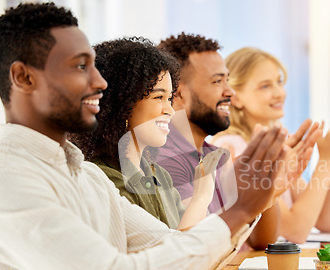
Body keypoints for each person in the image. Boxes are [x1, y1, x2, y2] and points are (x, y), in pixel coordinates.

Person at [0, 3, 288, 270]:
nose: (100, 82)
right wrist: (239, 211)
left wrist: (252, 203)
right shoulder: (4, 180)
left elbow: (179, 250)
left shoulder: (88, 178)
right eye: (79, 66)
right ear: (23, 78)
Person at [157, 34, 321, 249]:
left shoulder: (215, 155)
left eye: (227, 80)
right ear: (177, 94)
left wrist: (269, 188)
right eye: (217, 81)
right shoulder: (167, 159)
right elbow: (195, 250)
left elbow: (263, 241)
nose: (229, 92)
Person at [212, 47, 330, 243]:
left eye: (279, 82)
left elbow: (326, 221)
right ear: (235, 97)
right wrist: (328, 158)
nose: (279, 93)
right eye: (265, 86)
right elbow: (295, 231)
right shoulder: (232, 147)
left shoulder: (276, 146)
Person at [70, 37, 225, 231]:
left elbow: (201, 245)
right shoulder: (103, 180)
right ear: (123, 105)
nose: (169, 110)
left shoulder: (159, 175)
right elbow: (176, 255)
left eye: (169, 98)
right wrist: (200, 199)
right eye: (158, 97)